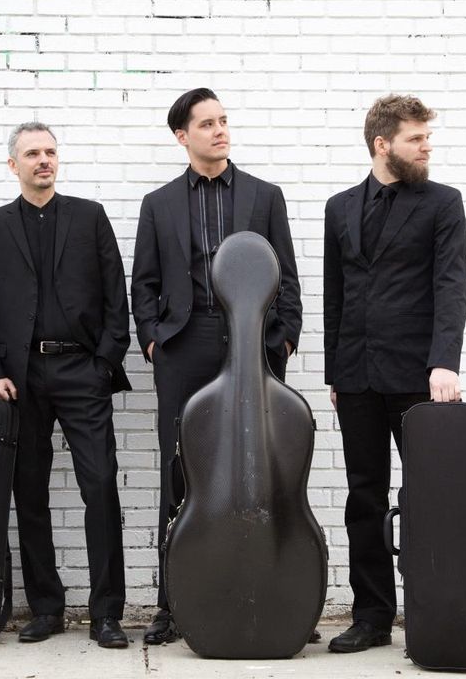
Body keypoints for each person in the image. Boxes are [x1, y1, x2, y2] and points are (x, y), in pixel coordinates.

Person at [131, 88, 304, 645]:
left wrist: (283, 338)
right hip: (186, 343)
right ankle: (173, 605)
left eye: (223, 120)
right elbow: (144, 283)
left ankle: (276, 596)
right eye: (207, 124)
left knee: (265, 464)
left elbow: (287, 275)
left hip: (253, 340)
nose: (220, 130)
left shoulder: (264, 195)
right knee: (181, 470)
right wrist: (155, 341)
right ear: (182, 136)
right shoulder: (158, 204)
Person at [0, 122, 132, 649]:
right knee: (29, 491)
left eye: (50, 152)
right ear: (13, 165)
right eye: (32, 153)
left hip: (82, 371)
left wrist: (103, 364)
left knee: (100, 485)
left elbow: (116, 300)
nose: (44, 160)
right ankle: (46, 608)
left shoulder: (90, 216)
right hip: (21, 380)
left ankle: (107, 613)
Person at [324, 94, 466, 653]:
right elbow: (335, 294)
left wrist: (444, 362)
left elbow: (451, 285)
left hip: (419, 377)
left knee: (431, 498)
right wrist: (336, 371)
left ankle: (437, 613)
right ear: (383, 144)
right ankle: (372, 617)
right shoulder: (339, 207)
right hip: (357, 377)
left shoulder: (442, 203)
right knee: (364, 497)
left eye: (427, 137)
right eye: (416, 138)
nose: (426, 147)